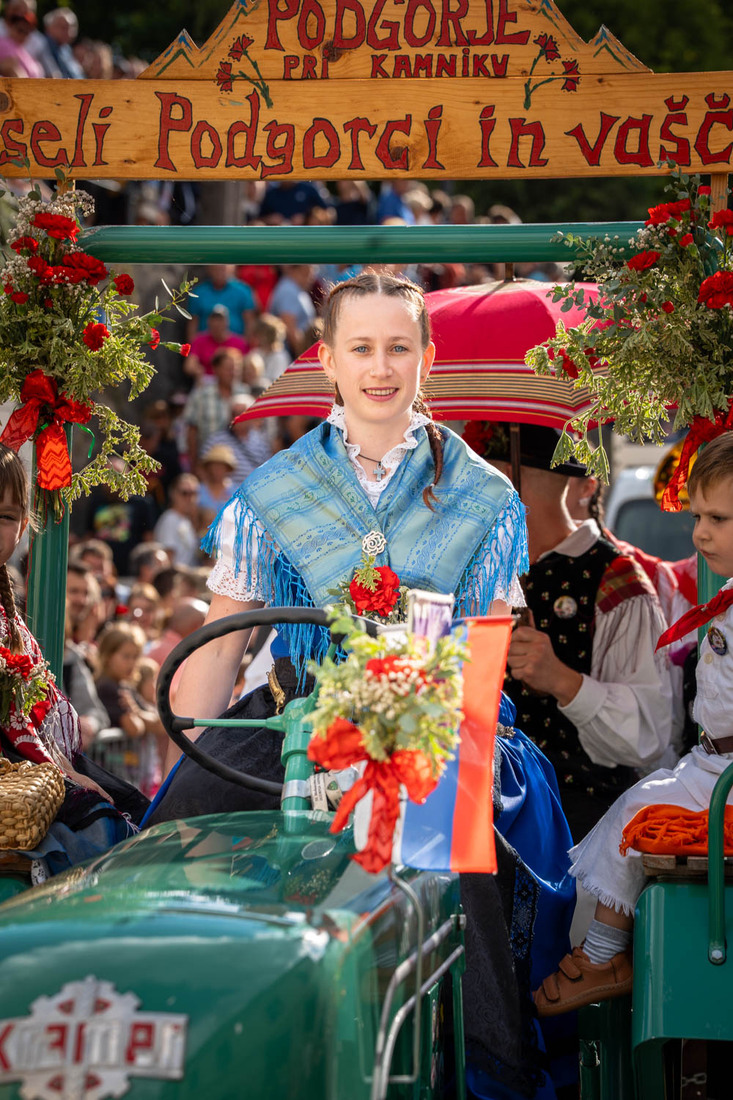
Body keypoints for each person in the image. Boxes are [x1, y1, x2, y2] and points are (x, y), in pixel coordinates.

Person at [144, 272, 565, 1098]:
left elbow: (481, 654)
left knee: (462, 854)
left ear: (426, 360)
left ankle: (484, 1065)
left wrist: (432, 733)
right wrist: (189, 740)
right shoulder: (270, 490)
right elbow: (219, 652)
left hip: (437, 718)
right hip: (296, 720)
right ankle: (187, 1039)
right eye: (361, 348)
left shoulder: (485, 495)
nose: (380, 367)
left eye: (398, 348)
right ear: (328, 361)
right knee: (178, 824)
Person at [534, 431, 733, 1015]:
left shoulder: (614, 578)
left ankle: (602, 955)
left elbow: (653, 729)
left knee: (634, 813)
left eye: (718, 519)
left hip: (723, 775)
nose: (699, 534)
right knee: (631, 810)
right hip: (710, 764)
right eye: (697, 517)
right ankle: (600, 949)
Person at [464, 421, 676, 842]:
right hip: (478, 804)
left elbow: (649, 735)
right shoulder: (479, 568)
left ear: (508, 479)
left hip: (579, 825)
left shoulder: (614, 579)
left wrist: (563, 681)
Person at [0, 443, 144, 877]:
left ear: (23, 526)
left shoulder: (9, 614)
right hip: (16, 766)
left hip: (34, 762)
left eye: (4, 517)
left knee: (138, 812)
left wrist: (63, 768)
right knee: (98, 830)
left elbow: (28, 711)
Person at [153, 473, 201, 568]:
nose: (190, 498)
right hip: (176, 576)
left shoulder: (185, 520)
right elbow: (168, 559)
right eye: (184, 493)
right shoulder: (170, 519)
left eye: (194, 493)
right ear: (173, 494)